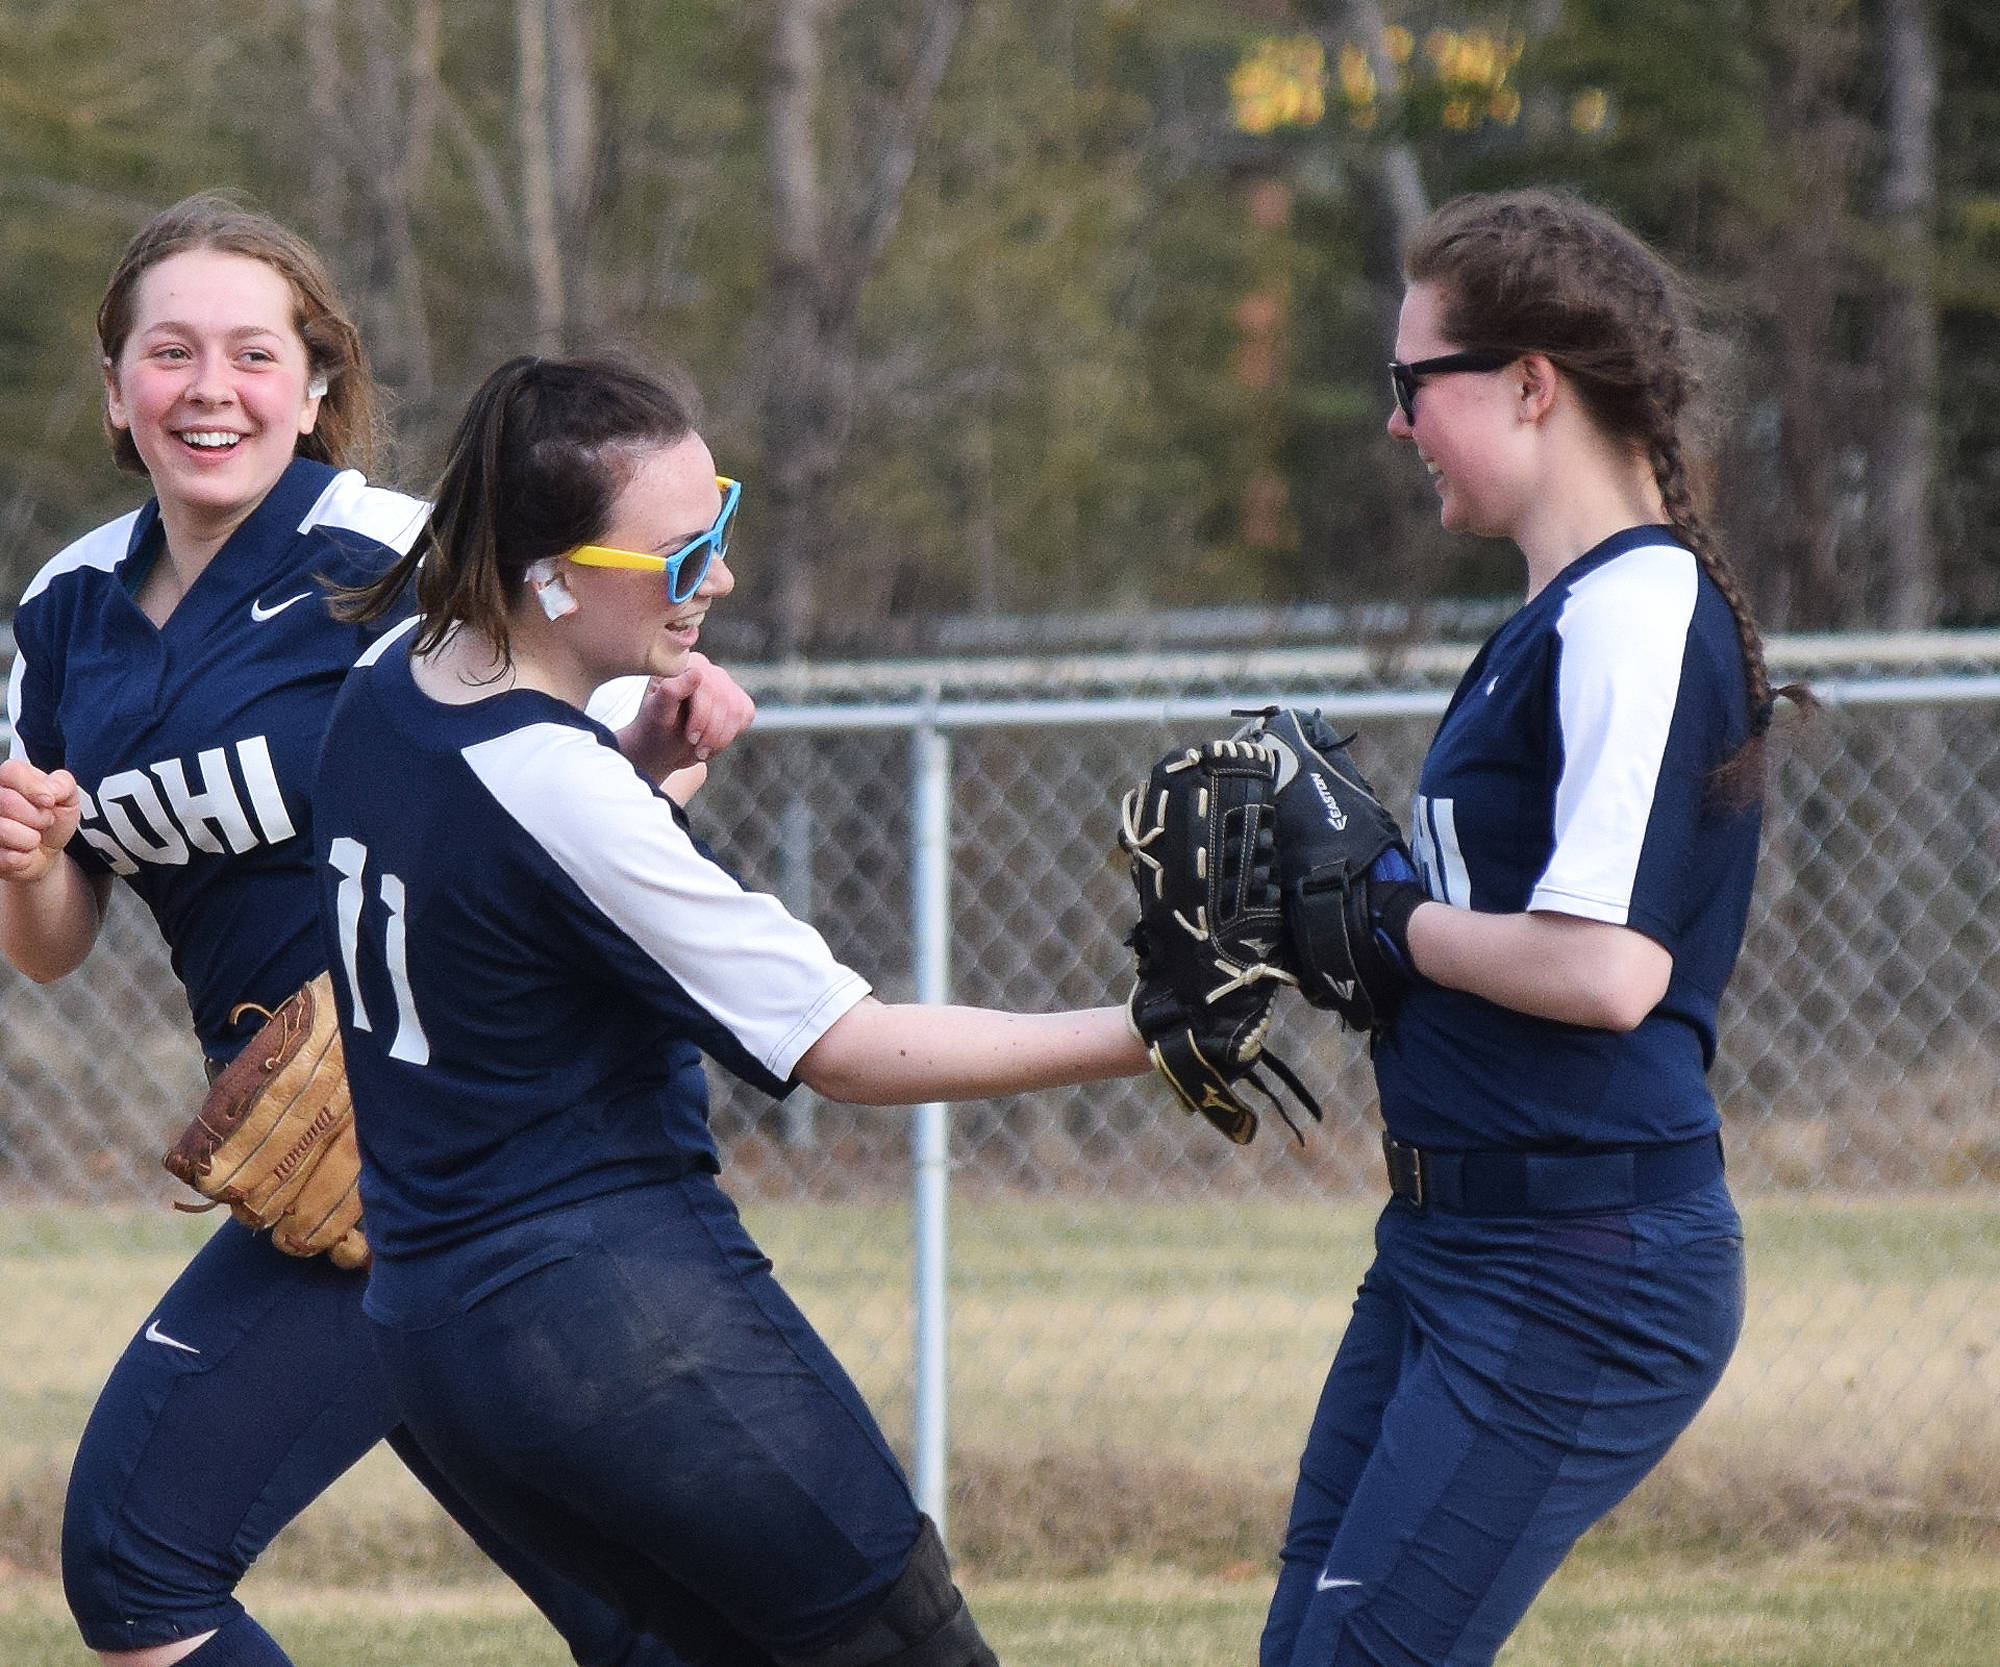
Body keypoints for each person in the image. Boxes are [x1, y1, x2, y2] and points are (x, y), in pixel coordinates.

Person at [0, 192, 749, 1667]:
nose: (210, 389)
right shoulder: (64, 610)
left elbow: (587, 790)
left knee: (140, 1555)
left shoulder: (397, 561)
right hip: (320, 1164)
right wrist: (26, 860)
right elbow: (55, 938)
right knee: (642, 1610)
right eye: (169, 353)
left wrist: (661, 755)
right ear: (114, 389)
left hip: (478, 1123)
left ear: (321, 384)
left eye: (253, 353)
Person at [312, 352, 1150, 1667]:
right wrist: (1152, 1030)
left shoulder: (391, 686)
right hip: (608, 1330)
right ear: (552, 572)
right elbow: (850, 1049)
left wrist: (639, 774)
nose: (721, 577)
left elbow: (507, 897)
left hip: (436, 1351)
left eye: (726, 522)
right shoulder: (557, 789)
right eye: (685, 548)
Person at [1258, 187, 1805, 1667]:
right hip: (1463, 1232)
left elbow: (1607, 969)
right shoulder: (1560, 616)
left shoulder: (1633, 609)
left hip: (1579, 1251)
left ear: (1529, 384)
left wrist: (1379, 917)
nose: (1395, 423)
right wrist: (1358, 930)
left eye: (1410, 384)